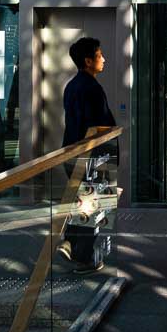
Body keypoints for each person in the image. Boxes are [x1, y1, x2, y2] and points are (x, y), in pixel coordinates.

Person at [59, 37, 116, 273]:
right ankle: (78, 254)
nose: (104, 59)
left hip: (72, 153)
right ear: (88, 60)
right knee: (91, 207)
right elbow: (100, 127)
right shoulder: (93, 88)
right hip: (91, 157)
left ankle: (69, 244)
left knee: (84, 203)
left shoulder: (71, 86)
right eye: (100, 55)